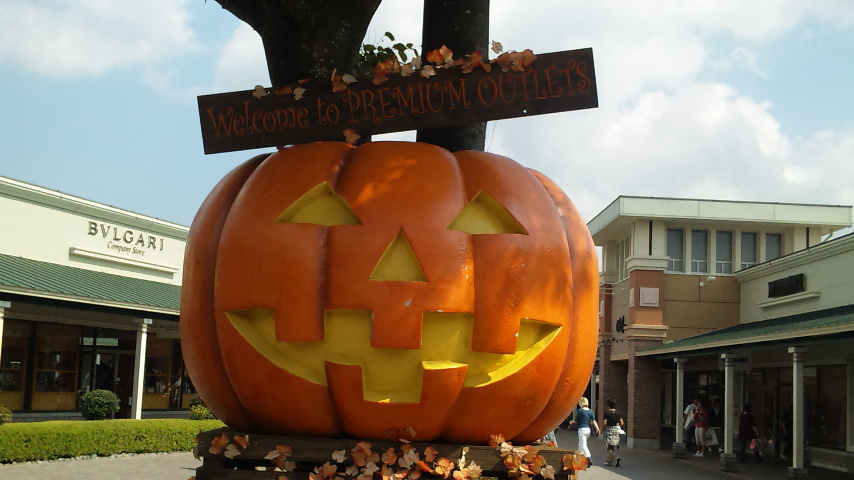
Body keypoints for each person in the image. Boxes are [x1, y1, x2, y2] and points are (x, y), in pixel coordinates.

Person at [569, 397, 600, 468]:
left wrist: (571, 421)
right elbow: (594, 421)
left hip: (582, 429)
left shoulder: (580, 411)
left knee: (583, 444)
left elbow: (576, 420)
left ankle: (588, 458)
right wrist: (597, 429)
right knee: (580, 444)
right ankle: (580, 460)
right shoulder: (590, 411)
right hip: (588, 429)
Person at [602, 398, 624, 467]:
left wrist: (601, 429)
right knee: (612, 446)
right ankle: (609, 461)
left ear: (608, 405)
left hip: (609, 430)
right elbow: (622, 422)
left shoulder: (607, 413)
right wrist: (617, 425)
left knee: (608, 447)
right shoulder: (618, 413)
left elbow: (604, 423)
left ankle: (615, 458)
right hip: (615, 429)